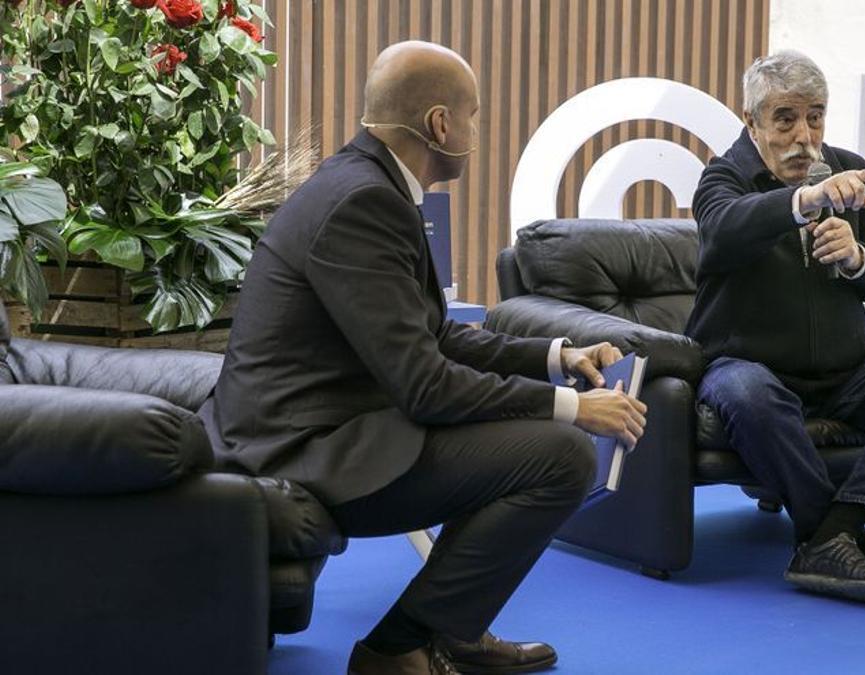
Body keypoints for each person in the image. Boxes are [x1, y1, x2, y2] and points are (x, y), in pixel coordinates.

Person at [205, 41, 648, 674]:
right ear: (440, 124)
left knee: (529, 437)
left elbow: (433, 336)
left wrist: (556, 357)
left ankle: (454, 629)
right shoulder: (365, 201)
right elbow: (426, 386)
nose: (475, 129)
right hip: (302, 448)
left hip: (320, 426)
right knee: (560, 454)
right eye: (473, 115)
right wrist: (576, 409)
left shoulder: (368, 184)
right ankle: (401, 648)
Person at [685, 50, 865, 605]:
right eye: (785, 118)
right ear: (752, 122)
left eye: (815, 116)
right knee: (747, 389)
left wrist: (860, 258)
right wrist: (801, 201)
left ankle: (838, 529)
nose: (803, 135)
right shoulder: (723, 177)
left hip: (844, 374)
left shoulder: (852, 174)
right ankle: (844, 536)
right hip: (745, 369)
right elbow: (722, 233)